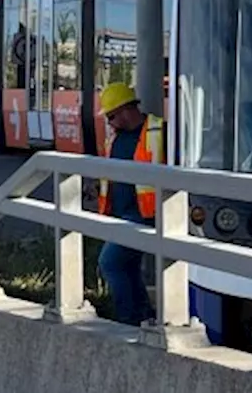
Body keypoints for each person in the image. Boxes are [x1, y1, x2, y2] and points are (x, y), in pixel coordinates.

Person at [93, 82, 165, 326]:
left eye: (112, 116)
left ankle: (127, 318)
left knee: (110, 263)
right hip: (122, 214)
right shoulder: (116, 137)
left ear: (126, 110)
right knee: (129, 266)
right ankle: (143, 315)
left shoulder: (158, 130)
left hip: (146, 213)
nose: (110, 122)